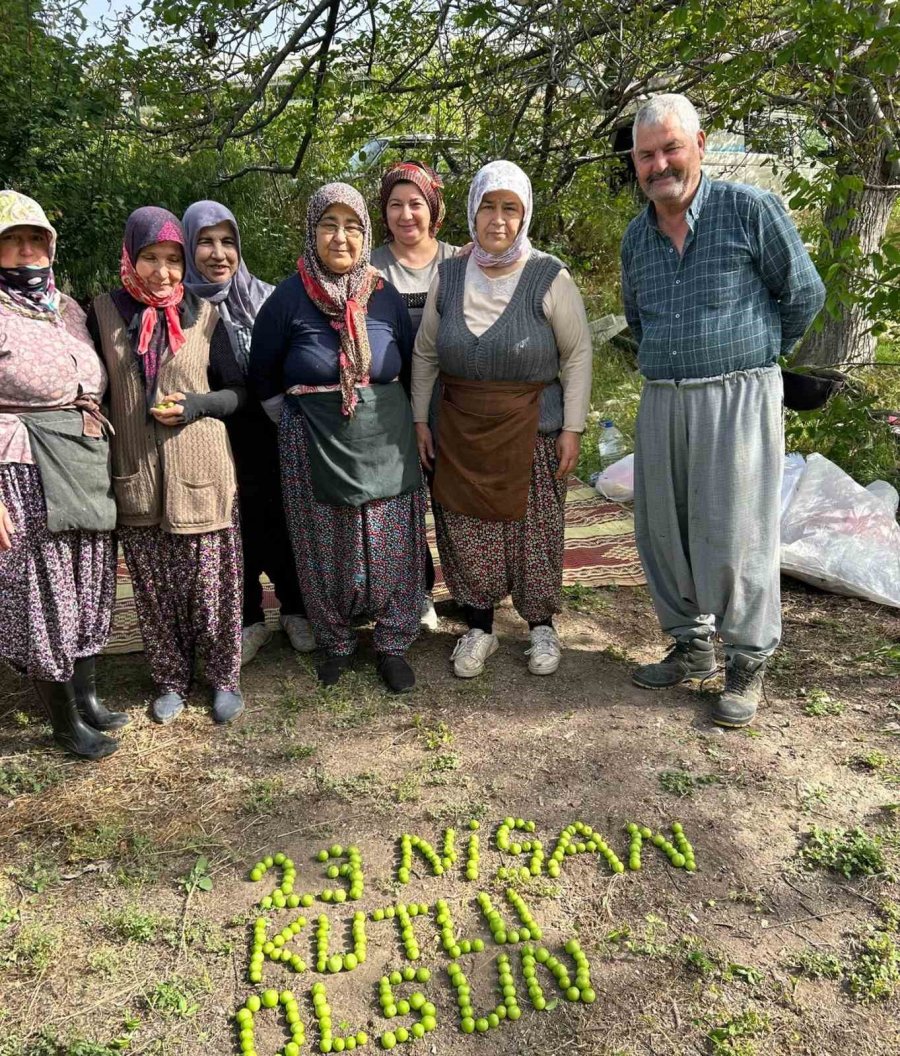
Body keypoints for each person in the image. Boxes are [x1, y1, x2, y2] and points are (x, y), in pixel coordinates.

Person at [620, 94, 825, 728]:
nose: (660, 164)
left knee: (736, 532)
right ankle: (691, 645)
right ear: (635, 162)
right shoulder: (637, 237)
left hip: (739, 393)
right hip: (663, 396)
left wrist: (763, 359)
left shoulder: (749, 211)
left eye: (671, 148)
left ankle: (747, 659)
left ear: (700, 145)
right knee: (663, 529)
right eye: (647, 154)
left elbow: (805, 295)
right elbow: (636, 320)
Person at [412, 160, 592, 679]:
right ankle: (479, 628)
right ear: (472, 212)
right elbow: (426, 354)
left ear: (524, 214)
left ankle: (540, 627)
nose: (497, 219)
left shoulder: (548, 275)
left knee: (534, 527)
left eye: (509, 208)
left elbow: (577, 355)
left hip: (533, 427)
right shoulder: (447, 276)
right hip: (460, 429)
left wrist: (574, 428)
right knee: (466, 527)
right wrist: (421, 420)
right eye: (488, 206)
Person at [250, 182, 425, 693]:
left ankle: (393, 642)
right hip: (313, 438)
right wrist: (302, 422)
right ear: (312, 231)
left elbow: (409, 364)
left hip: (385, 434)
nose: (341, 237)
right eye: (329, 224)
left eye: (352, 226)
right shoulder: (288, 298)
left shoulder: (383, 293)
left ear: (367, 232)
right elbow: (263, 375)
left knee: (392, 538)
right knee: (324, 543)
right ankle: (337, 641)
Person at [87, 206, 246, 725]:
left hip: (202, 471)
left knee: (213, 589)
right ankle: (170, 680)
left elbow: (239, 393)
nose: (162, 272)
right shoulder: (103, 314)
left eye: (173, 259)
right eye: (150, 258)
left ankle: (223, 678)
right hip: (137, 476)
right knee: (156, 592)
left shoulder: (205, 315)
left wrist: (197, 405)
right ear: (130, 257)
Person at [0, 189, 126, 760]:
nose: (26, 251)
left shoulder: (70, 308)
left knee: (87, 580)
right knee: (46, 589)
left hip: (81, 457)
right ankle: (63, 722)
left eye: (35, 239)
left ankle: (88, 697)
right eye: (11, 240)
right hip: (23, 465)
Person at [182, 200, 313, 666]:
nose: (218, 254)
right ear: (187, 245)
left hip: (275, 429)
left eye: (227, 242)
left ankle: (297, 609)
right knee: (235, 528)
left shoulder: (268, 297)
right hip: (211, 437)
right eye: (205, 242)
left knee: (285, 517)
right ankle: (248, 618)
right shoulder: (179, 306)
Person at [372, 162, 460, 631]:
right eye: (395, 205)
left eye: (416, 204)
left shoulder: (460, 258)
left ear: (434, 209)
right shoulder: (369, 267)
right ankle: (417, 589)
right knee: (404, 501)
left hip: (454, 400)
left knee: (454, 496)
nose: (406, 215)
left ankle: (468, 587)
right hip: (391, 403)